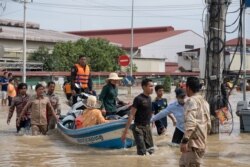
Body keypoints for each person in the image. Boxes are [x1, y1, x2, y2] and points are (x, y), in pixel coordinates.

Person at [179, 77, 211, 167]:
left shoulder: (191, 101)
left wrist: (184, 141)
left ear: (188, 88)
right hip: (201, 143)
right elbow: (208, 124)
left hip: (193, 144)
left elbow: (191, 123)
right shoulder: (205, 102)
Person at [121, 78, 154, 155]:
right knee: (142, 152)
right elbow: (132, 114)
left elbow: (148, 112)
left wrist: (153, 121)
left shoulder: (149, 98)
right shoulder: (138, 99)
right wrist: (125, 132)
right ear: (144, 87)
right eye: (150, 86)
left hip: (147, 127)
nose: (152, 88)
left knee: (151, 151)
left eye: (153, 86)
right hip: (138, 128)